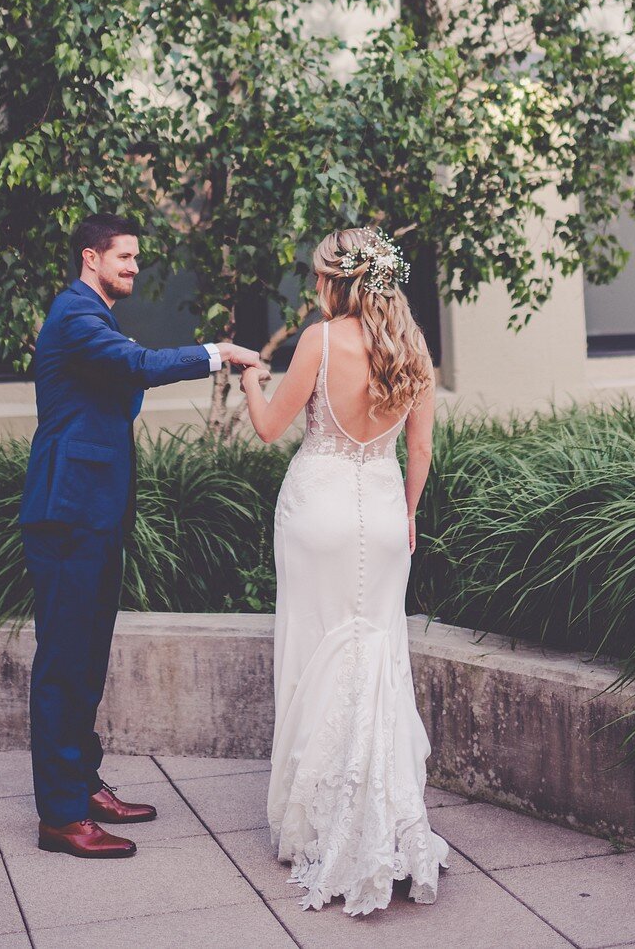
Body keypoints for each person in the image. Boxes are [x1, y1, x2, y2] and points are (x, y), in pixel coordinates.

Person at [19, 212, 260, 859]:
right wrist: (217, 353)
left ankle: (83, 783)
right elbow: (137, 364)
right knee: (64, 666)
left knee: (86, 661)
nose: (133, 268)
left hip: (94, 517)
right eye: (124, 258)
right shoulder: (77, 314)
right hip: (67, 515)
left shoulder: (91, 314)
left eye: (134, 259)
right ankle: (62, 817)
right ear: (90, 257)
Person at [240, 226, 448, 915]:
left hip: (319, 511)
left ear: (341, 280)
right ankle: (387, 815)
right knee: (378, 651)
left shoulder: (319, 342)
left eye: (320, 275)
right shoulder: (415, 349)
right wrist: (410, 515)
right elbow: (420, 453)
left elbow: (271, 426)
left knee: (314, 648)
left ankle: (317, 817)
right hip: (386, 513)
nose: (316, 286)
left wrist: (249, 383)